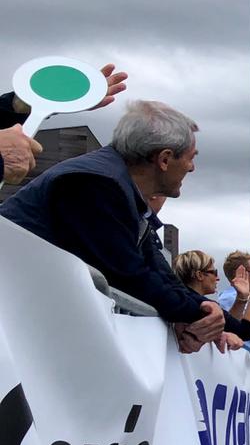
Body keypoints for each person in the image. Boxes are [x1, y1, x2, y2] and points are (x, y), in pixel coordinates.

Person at [0, 99, 229, 351]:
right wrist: (202, 315)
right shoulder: (95, 184)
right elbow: (130, 276)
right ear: (164, 159)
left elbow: (161, 275)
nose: (192, 167)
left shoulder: (118, 188)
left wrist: (216, 318)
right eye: (191, 158)